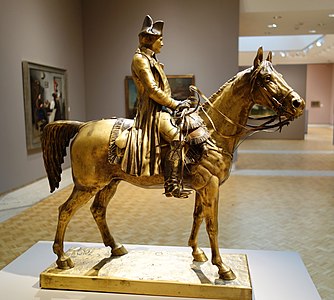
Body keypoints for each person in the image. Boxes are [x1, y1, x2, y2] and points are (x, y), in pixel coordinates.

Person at [121, 15, 192, 198]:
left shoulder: (150, 59)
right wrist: (175, 103)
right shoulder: (140, 60)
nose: (162, 44)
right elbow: (152, 90)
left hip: (162, 108)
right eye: (160, 40)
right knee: (178, 139)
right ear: (150, 40)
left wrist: (176, 103)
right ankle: (172, 185)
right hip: (153, 112)